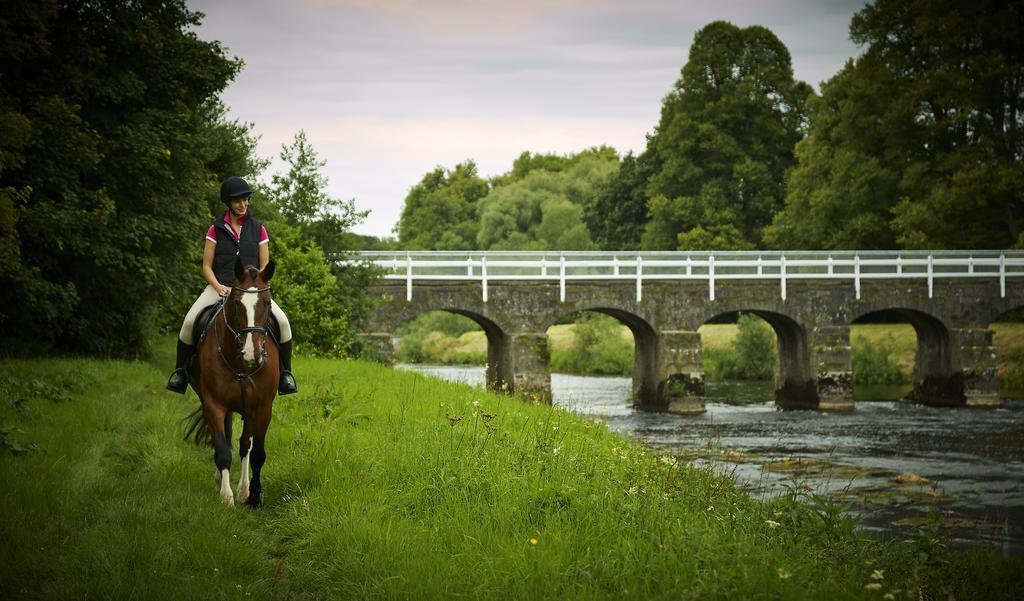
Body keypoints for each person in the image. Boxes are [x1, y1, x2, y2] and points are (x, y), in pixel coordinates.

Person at [166, 176, 298, 395]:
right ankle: (181, 373)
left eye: (246, 200)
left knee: (283, 324)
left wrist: (256, 286)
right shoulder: (215, 229)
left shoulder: (259, 229)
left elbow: (264, 264)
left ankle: (285, 376)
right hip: (221, 287)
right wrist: (217, 287)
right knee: (189, 322)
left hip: (251, 291)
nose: (243, 205)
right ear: (228, 202)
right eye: (238, 201)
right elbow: (207, 266)